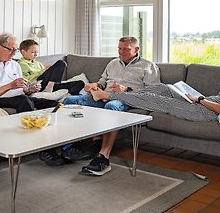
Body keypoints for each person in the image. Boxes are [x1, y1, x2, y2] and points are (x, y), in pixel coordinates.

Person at [88, 45, 220, 176]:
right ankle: (120, 97)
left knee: (157, 100)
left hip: (205, 113)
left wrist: (200, 100)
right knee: (164, 88)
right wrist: (198, 97)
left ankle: (108, 95)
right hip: (203, 103)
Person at [0, 33, 89, 166]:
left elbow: (22, 90)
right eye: (10, 49)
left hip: (21, 96)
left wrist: (30, 89)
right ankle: (46, 150)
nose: (14, 53)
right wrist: (9, 86)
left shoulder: (14, 65)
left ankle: (67, 147)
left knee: (55, 105)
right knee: (25, 101)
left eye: (15, 50)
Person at [63, 36, 160, 175]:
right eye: (119, 48)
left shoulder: (148, 66)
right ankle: (69, 147)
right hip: (101, 96)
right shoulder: (113, 63)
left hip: (125, 99)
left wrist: (127, 89)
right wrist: (95, 85)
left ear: (137, 49)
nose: (121, 52)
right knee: (69, 102)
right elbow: (103, 81)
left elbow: (154, 91)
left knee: (112, 107)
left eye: (126, 49)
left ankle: (103, 157)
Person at [18, 39, 85, 100]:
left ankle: (66, 98)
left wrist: (50, 70)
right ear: (23, 52)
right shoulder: (21, 64)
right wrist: (43, 71)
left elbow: (46, 75)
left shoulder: (38, 63)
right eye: (33, 52)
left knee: (80, 83)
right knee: (61, 63)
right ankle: (49, 88)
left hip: (49, 84)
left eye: (37, 52)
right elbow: (26, 80)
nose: (36, 55)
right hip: (37, 85)